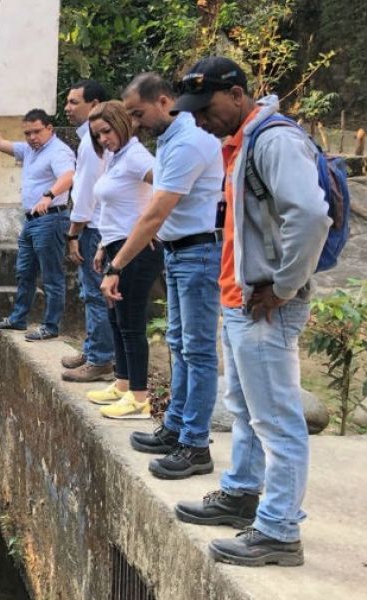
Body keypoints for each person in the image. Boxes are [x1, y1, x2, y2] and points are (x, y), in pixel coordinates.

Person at [171, 57, 330, 567]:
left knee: (277, 421)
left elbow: (309, 216)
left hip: (267, 305)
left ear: (238, 94)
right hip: (241, 299)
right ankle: (242, 492)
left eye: (207, 107)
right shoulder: (240, 142)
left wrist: (284, 286)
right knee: (244, 408)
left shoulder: (275, 140)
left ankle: (279, 530)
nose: (200, 119)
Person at [100, 73, 224, 478]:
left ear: (165, 100)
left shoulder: (189, 142)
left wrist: (115, 266)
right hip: (177, 252)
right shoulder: (171, 140)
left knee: (198, 350)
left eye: (138, 113)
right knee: (179, 344)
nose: (134, 122)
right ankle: (174, 427)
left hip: (198, 252)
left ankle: (194, 445)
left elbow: (155, 211)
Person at [80, 101, 161, 419]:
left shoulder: (138, 156)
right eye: (97, 135)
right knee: (116, 318)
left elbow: (167, 187)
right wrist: (102, 245)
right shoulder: (118, 158)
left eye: (106, 131)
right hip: (114, 244)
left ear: (122, 125)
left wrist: (156, 223)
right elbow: (114, 207)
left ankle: (139, 397)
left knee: (130, 323)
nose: (103, 139)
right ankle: (123, 383)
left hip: (137, 249)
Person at [0, 103, 75, 341]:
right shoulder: (30, 151)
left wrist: (48, 196)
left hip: (50, 219)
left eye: (36, 132)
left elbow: (68, 176)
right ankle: (18, 319)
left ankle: (50, 326)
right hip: (30, 220)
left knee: (51, 276)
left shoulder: (58, 151)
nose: (32, 137)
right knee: (24, 272)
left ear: (49, 128)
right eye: (27, 133)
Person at [61, 81, 117, 382]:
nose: (68, 108)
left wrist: (73, 233)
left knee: (96, 294)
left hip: (94, 226)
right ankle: (94, 347)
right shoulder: (91, 141)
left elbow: (85, 192)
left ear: (94, 103)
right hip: (96, 225)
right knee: (91, 292)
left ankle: (99, 359)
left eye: (74, 102)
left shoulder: (92, 143)